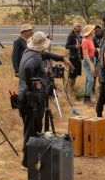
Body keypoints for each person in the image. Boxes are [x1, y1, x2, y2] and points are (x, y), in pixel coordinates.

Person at [17, 32, 73, 167]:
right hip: (32, 98)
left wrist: (61, 58)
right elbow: (28, 67)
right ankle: (27, 161)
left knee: (31, 127)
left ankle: (30, 158)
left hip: (25, 95)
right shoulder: (35, 57)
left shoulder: (28, 51)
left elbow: (45, 55)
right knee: (33, 129)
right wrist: (33, 86)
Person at [81, 24, 97, 104]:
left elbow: (91, 50)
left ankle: (86, 97)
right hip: (88, 62)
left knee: (88, 80)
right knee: (91, 80)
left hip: (92, 60)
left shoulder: (91, 39)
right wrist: (91, 65)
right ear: (90, 32)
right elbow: (85, 55)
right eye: (92, 30)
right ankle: (87, 98)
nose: (94, 31)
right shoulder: (85, 41)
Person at [65, 22, 82, 94]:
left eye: (80, 26)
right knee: (72, 75)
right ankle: (69, 90)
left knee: (75, 75)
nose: (80, 27)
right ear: (74, 28)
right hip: (73, 58)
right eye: (78, 26)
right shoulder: (71, 36)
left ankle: (72, 89)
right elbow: (67, 46)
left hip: (78, 58)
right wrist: (75, 46)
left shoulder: (80, 36)